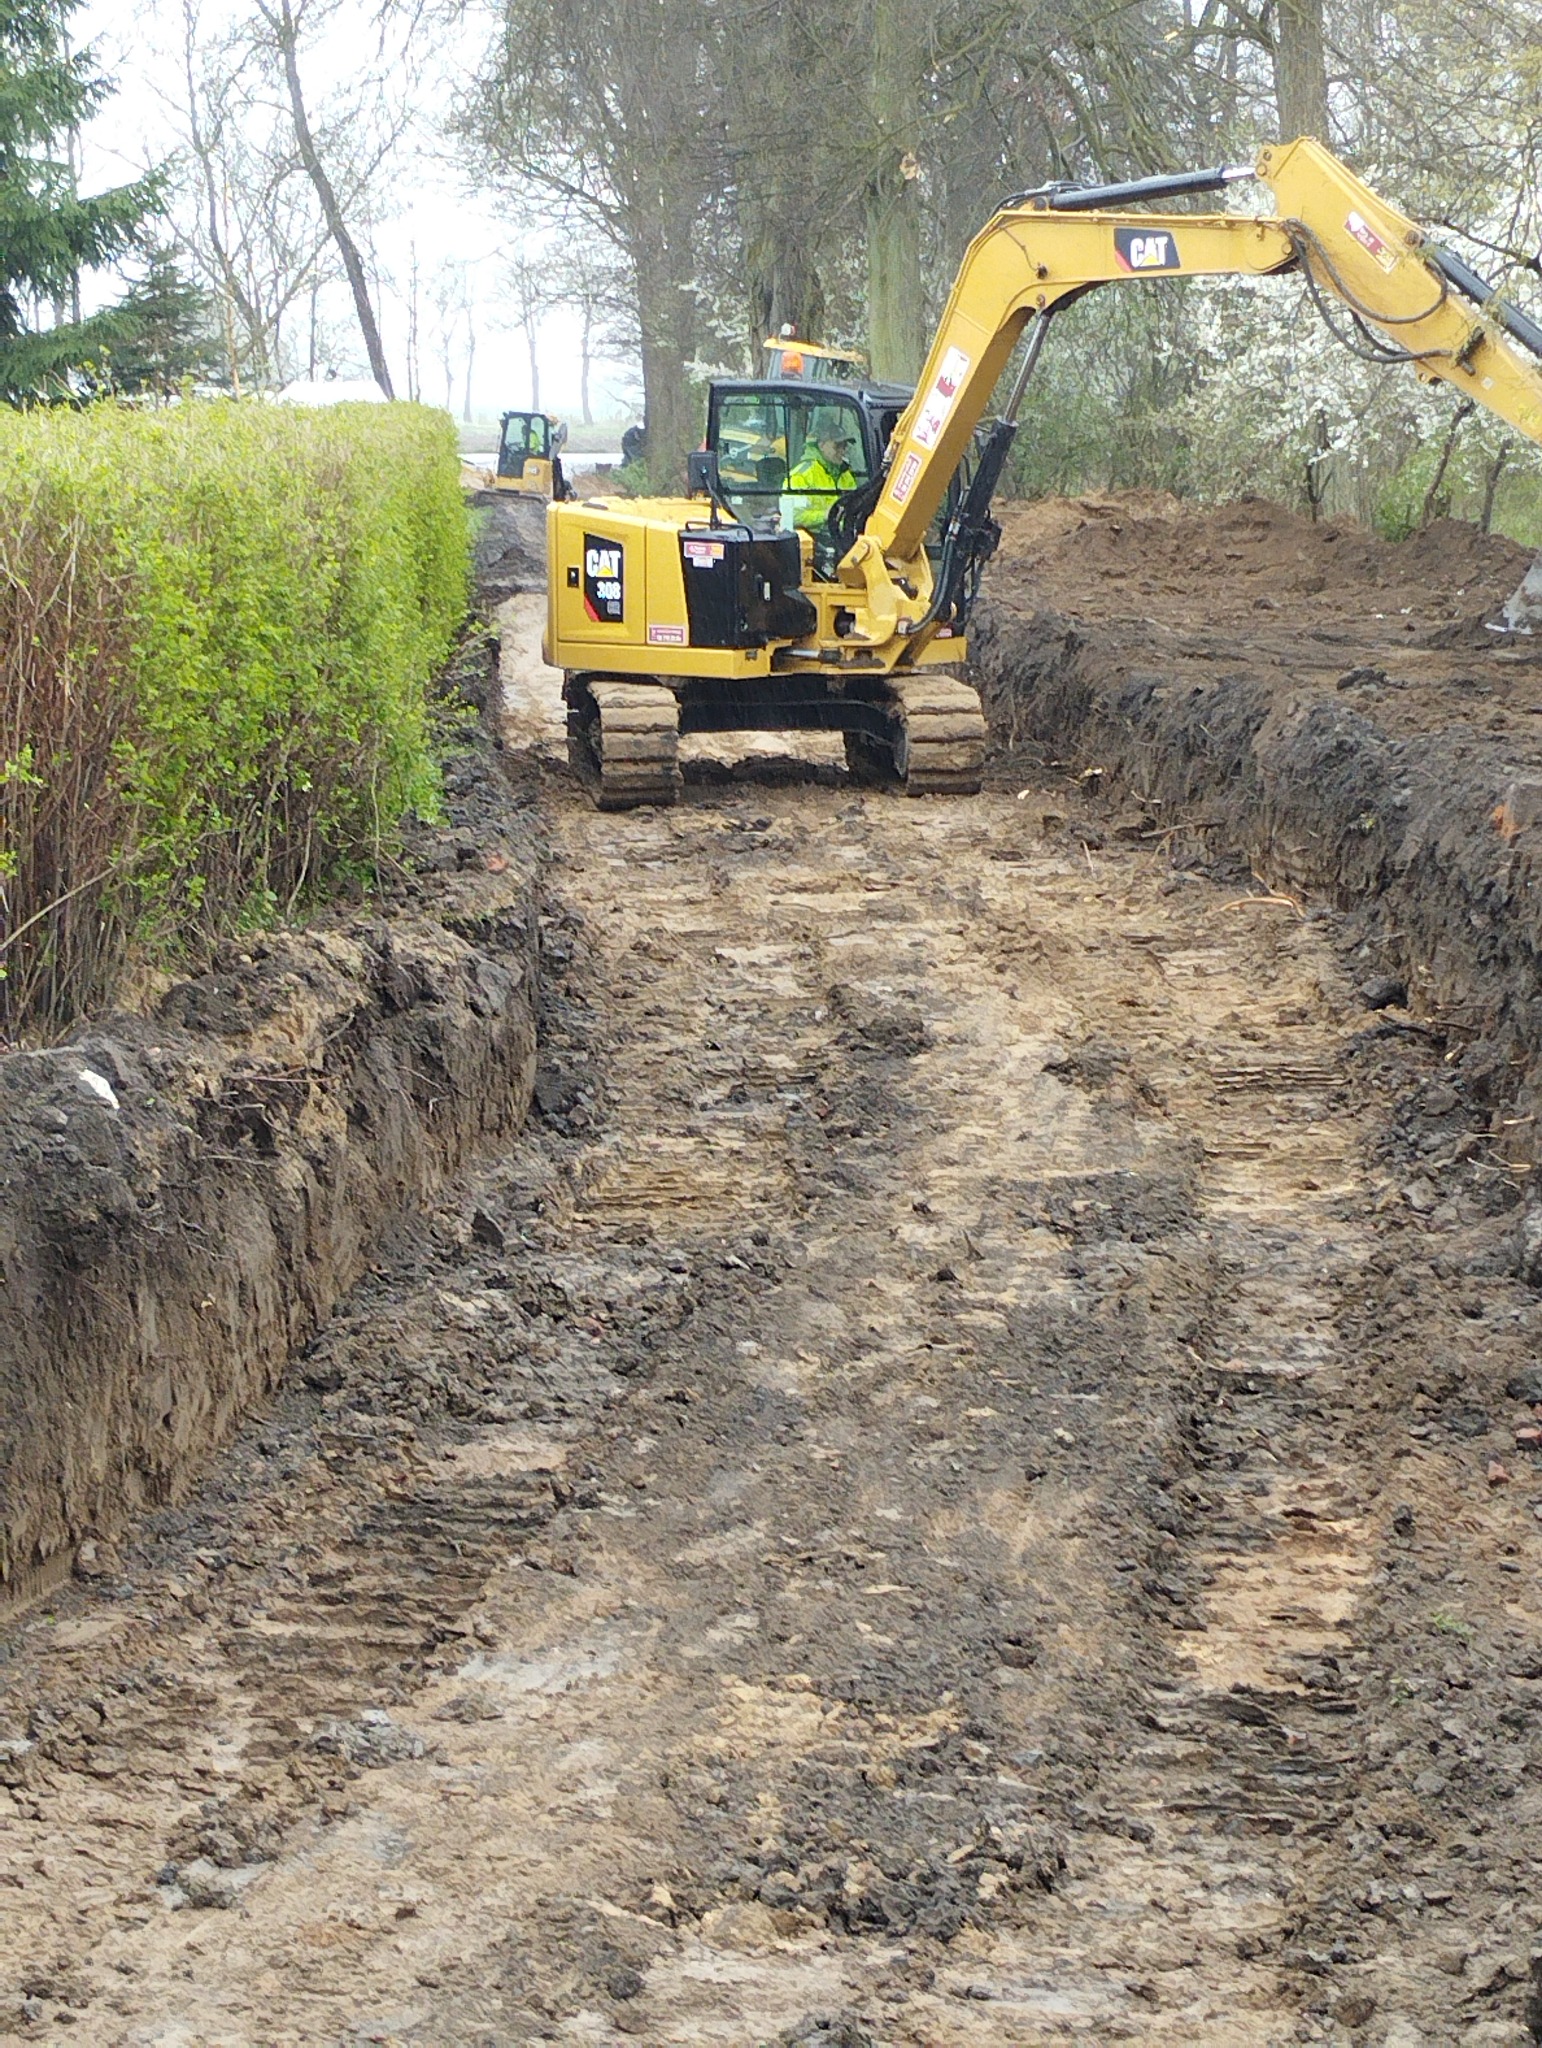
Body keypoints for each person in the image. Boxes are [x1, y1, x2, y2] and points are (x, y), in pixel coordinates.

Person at [787, 411, 859, 531]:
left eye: (844, 446)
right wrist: (826, 515)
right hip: (817, 540)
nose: (842, 451)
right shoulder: (801, 475)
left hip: (843, 537)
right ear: (821, 445)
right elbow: (792, 516)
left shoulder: (846, 475)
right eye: (837, 446)